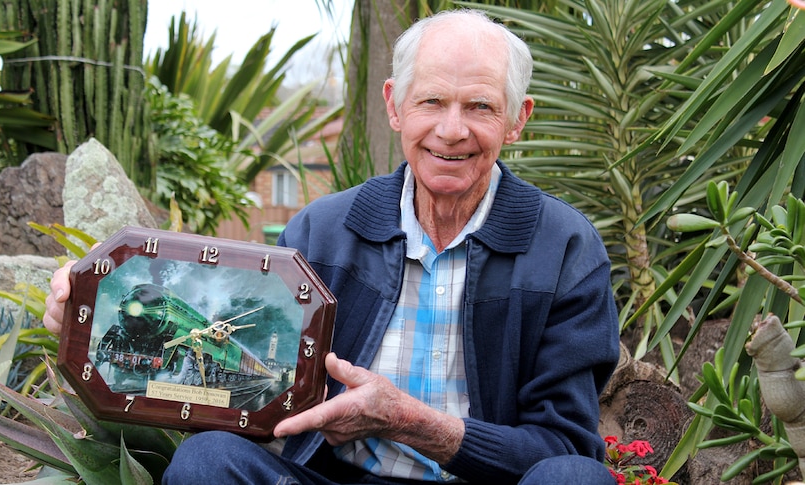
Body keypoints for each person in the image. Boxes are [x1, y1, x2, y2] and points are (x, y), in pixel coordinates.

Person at [44, 8, 619, 484]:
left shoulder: (564, 247)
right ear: (395, 105)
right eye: (431, 102)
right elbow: (228, 364)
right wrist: (91, 317)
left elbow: (562, 446)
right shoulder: (323, 230)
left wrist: (410, 422)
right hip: (333, 478)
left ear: (517, 119)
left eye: (480, 107)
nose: (451, 130)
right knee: (207, 463)